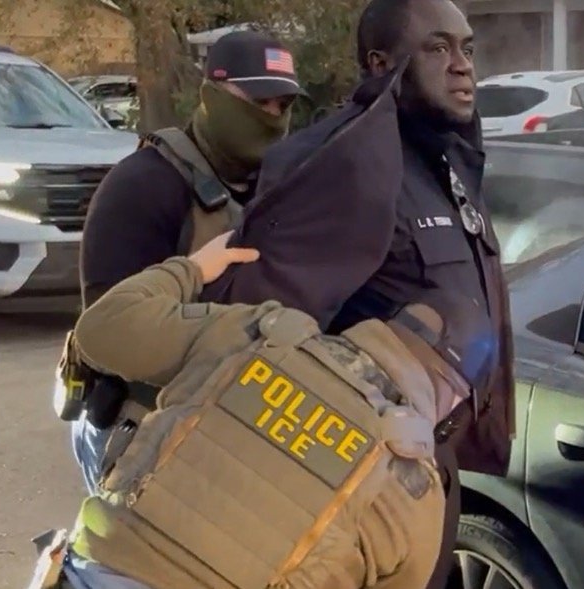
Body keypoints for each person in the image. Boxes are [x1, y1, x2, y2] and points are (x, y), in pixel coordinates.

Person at [199, 0, 515, 586]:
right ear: (380, 63)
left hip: (425, 467)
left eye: (468, 48)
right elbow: (257, 330)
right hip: (351, 487)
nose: (463, 65)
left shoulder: (444, 159)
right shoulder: (339, 161)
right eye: (438, 48)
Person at [28, 229, 494, 589]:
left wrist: (192, 268)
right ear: (452, 396)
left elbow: (103, 329)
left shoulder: (264, 333)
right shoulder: (416, 491)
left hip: (96, 572)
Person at [59, 28, 305, 493]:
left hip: (227, 424)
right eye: (258, 102)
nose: (273, 117)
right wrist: (194, 275)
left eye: (283, 104)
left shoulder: (274, 186)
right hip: (136, 425)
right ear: (212, 95)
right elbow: (109, 334)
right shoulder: (143, 185)